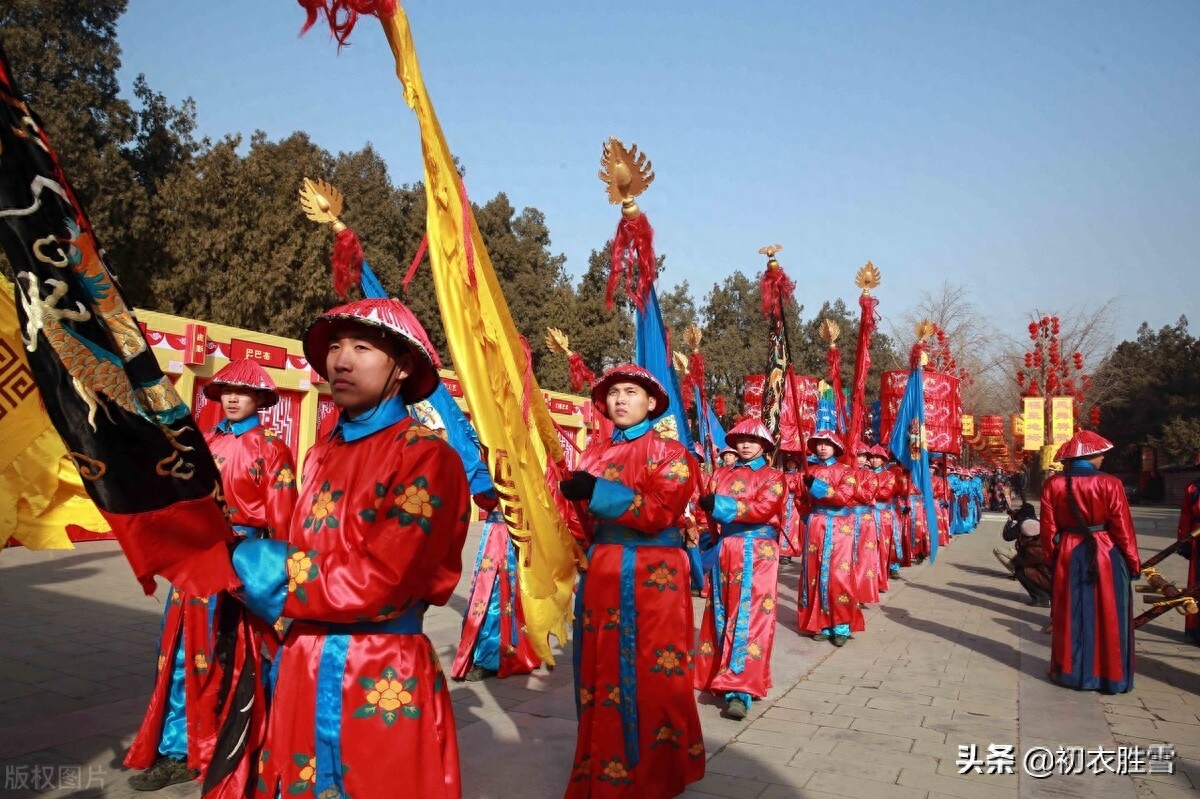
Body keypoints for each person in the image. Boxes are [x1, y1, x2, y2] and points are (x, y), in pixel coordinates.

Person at [230, 298, 470, 798]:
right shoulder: (320, 453)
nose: (340, 360)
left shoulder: (428, 458)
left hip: (377, 666)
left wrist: (255, 563)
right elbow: (302, 544)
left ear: (402, 367)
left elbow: (385, 580)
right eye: (336, 347)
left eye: (362, 348)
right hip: (304, 662)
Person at [126, 359, 298, 791]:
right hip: (195, 563)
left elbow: (282, 522)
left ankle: (224, 742)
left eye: (243, 392)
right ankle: (180, 746)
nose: (233, 399)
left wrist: (277, 584)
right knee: (181, 653)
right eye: (226, 392)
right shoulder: (203, 442)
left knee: (236, 657)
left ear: (260, 399)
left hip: (242, 563)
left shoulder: (272, 448)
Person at [558, 364, 704, 799]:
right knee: (599, 669)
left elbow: (660, 509)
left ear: (653, 403)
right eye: (614, 393)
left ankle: (657, 773)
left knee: (655, 669)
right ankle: (601, 768)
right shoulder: (591, 455)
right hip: (603, 570)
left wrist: (597, 492)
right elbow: (579, 523)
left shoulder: (673, 454)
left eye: (630, 392)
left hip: (653, 573)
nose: (620, 400)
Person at [694, 418, 786, 720]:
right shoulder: (720, 474)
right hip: (726, 549)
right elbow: (702, 509)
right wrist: (703, 504)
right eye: (741, 439)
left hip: (758, 552)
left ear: (764, 445)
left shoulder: (773, 477)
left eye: (752, 440)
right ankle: (719, 674)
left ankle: (741, 688)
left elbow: (763, 508)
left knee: (750, 615)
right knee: (722, 609)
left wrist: (718, 504)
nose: (745, 445)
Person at [1040, 430, 1140, 694]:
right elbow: (1122, 528)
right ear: (1089, 455)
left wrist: (1053, 561)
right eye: (1100, 454)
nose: (1103, 459)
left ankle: (1070, 673)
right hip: (1105, 553)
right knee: (1109, 614)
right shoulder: (1110, 484)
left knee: (1069, 614)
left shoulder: (1054, 484)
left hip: (1069, 554)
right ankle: (1109, 677)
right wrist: (1133, 563)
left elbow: (1048, 531)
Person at [796, 431, 861, 646]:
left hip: (840, 527)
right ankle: (820, 623)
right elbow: (800, 499)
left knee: (838, 574)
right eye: (819, 444)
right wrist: (807, 514)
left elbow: (843, 497)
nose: (823, 448)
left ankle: (841, 626)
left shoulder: (846, 472)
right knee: (814, 572)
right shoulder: (809, 470)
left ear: (837, 448)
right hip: (816, 525)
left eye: (827, 444)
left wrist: (815, 486)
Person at [1003, 503, 1051, 607]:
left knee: (1020, 571)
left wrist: (1009, 522)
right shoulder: (1040, 523)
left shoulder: (1024, 524)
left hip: (1035, 560)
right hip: (1045, 561)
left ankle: (1041, 597)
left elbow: (1007, 536)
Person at [868, 446, 902, 590]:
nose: (875, 460)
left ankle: (881, 580)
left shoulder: (889, 476)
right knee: (868, 549)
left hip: (883, 516)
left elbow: (885, 493)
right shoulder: (864, 473)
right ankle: (868, 581)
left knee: (882, 548)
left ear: (883, 460)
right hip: (867, 515)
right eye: (873, 457)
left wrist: (867, 492)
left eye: (878, 457)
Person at [1176, 455, 1200, 644]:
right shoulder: (1193, 488)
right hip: (1197, 539)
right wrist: (1183, 541)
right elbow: (1185, 517)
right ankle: (1195, 629)